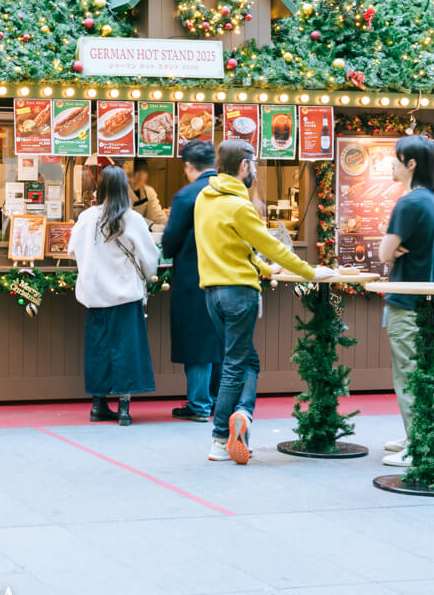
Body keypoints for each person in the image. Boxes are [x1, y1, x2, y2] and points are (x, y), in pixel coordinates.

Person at [195, 140, 331, 464]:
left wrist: (265, 269)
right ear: (244, 166)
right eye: (253, 164)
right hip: (239, 293)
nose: (254, 170)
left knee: (245, 360)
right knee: (234, 364)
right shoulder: (239, 206)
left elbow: (231, 247)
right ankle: (219, 438)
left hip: (212, 293)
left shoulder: (204, 199)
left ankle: (241, 416)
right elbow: (270, 244)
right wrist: (309, 272)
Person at [68, 165, 159, 426]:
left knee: (98, 349)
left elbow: (73, 251)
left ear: (101, 188)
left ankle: (98, 405)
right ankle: (124, 409)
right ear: (124, 188)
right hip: (125, 297)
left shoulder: (86, 217)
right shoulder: (132, 219)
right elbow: (150, 259)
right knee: (126, 350)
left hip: (94, 296)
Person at [377, 134, 434, 468]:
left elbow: (384, 252)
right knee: (420, 370)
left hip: (405, 299)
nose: (392, 163)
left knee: (407, 373)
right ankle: (416, 435)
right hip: (427, 301)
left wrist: (391, 247)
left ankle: (417, 444)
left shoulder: (409, 203)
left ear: (411, 164)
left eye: (396, 158)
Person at [160, 140, 222, 423]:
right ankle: (219, 400)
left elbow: (169, 243)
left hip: (193, 276)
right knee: (219, 338)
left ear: (188, 166)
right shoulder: (231, 190)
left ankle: (199, 404)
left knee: (196, 340)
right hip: (227, 275)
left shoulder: (186, 196)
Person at [129, 158, 168, 229]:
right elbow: (127, 217)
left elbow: (157, 215)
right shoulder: (122, 190)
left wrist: (170, 224)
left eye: (143, 171)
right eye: (137, 171)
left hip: (142, 231)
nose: (140, 175)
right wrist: (151, 225)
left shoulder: (149, 191)